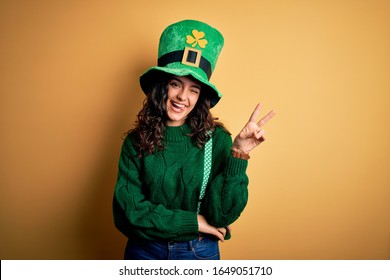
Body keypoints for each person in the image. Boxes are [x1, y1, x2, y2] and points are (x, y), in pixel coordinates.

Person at [113, 19, 275, 260]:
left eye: (194, 90)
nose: (182, 97)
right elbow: (128, 214)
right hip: (144, 252)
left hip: (198, 253)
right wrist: (195, 221)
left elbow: (223, 216)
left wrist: (238, 154)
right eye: (175, 84)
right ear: (161, 87)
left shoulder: (216, 140)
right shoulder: (136, 142)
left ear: (201, 98)